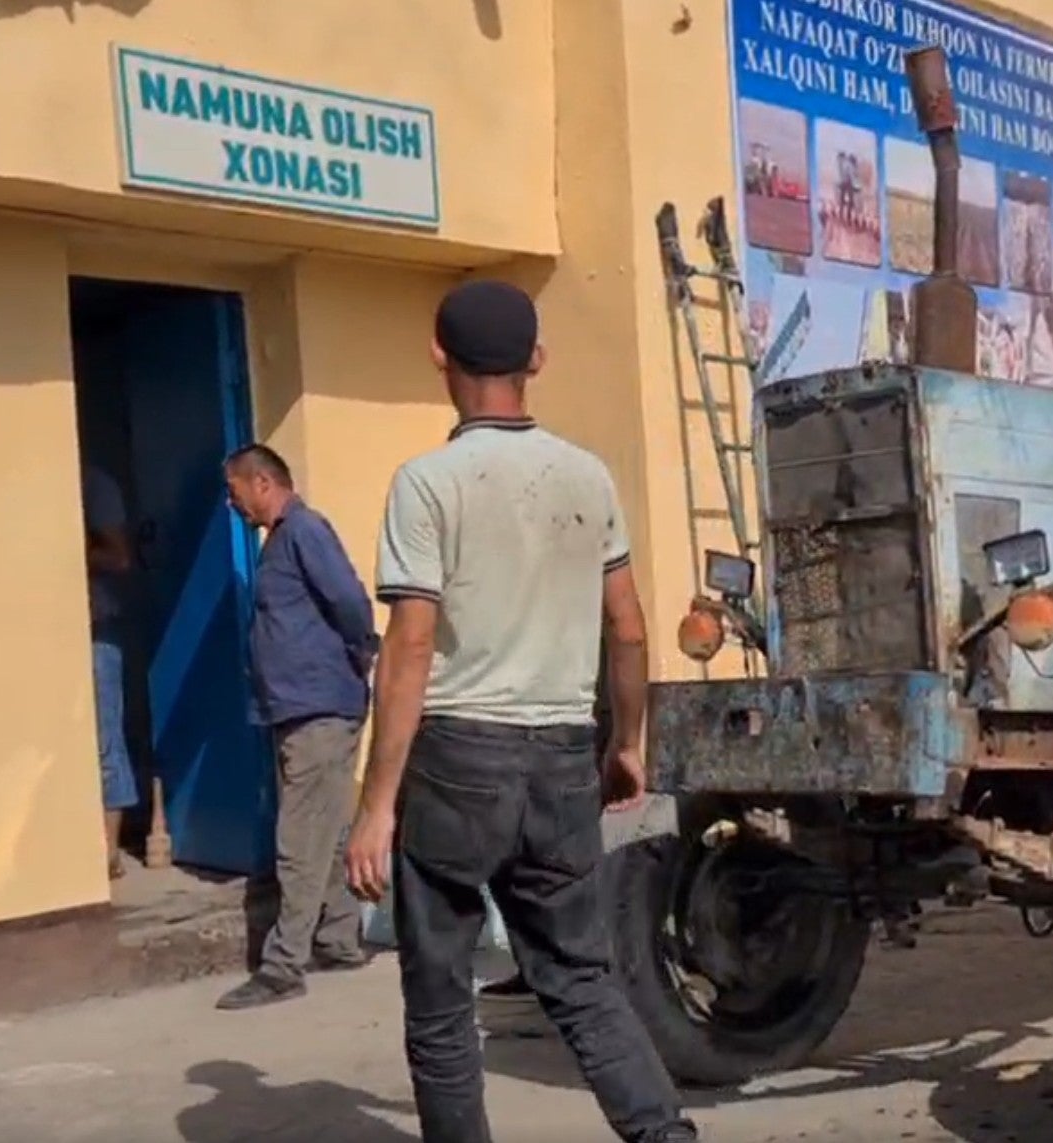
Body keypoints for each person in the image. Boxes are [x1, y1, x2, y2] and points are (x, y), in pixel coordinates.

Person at [343, 280, 697, 1143]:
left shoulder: (427, 484)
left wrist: (376, 804)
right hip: (562, 756)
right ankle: (665, 1136)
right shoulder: (588, 475)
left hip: (459, 760)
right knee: (581, 979)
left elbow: (411, 649)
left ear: (440, 356)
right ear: (535, 361)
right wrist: (627, 743)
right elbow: (630, 626)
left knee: (439, 1001)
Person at [215, 444, 380, 1010]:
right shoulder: (279, 542)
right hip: (297, 708)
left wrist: (361, 655)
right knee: (325, 831)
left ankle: (283, 964)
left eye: (235, 492)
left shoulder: (305, 531)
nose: (232, 505)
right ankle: (338, 939)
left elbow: (351, 603)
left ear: (263, 483)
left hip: (319, 710)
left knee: (299, 841)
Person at [82, 461, 139, 881]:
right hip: (58, 632)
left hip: (97, 627)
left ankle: (109, 852)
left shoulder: (94, 483)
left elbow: (118, 556)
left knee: (104, 741)